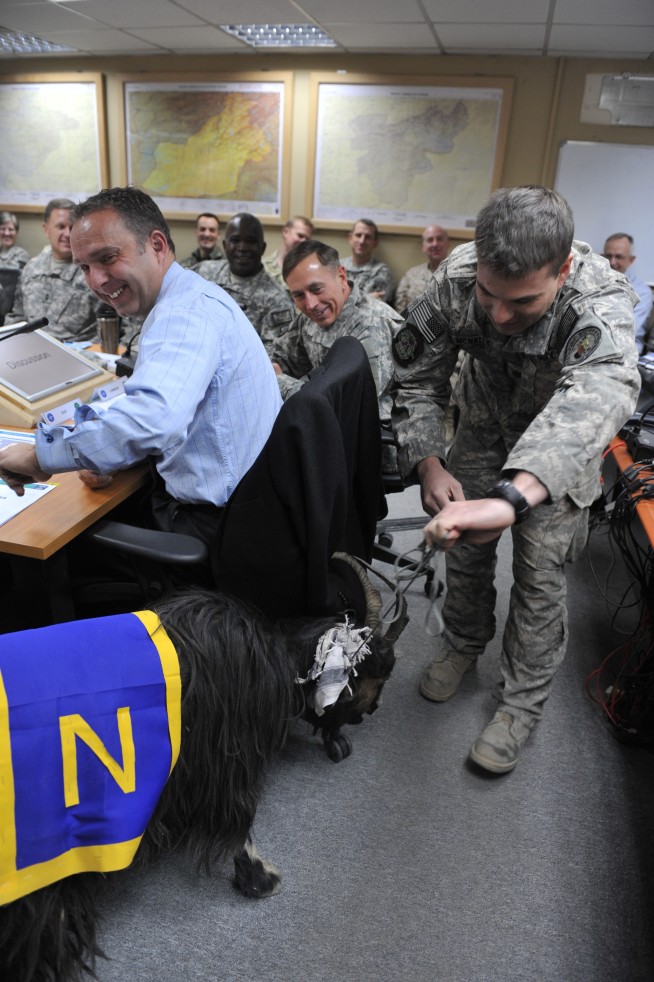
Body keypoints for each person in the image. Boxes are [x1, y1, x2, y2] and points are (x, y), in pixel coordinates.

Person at [391, 185, 640, 774]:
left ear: (564, 270)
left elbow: (597, 396)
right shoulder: (453, 282)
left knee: (539, 574)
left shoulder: (597, 299)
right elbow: (416, 380)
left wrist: (511, 498)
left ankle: (520, 704)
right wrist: (430, 464)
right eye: (489, 295)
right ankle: (461, 643)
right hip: (479, 426)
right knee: (464, 551)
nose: (499, 316)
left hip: (559, 445)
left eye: (523, 302)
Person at [0, 186, 282, 560]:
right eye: (85, 267)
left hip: (215, 530)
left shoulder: (181, 316)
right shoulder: (193, 295)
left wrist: (40, 458)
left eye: (108, 258)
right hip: (250, 509)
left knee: (43, 551)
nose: (97, 281)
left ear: (157, 246)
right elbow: (155, 405)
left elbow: (154, 421)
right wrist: (107, 452)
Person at [269, 239, 403, 462]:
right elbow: (282, 355)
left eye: (316, 289)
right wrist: (271, 366)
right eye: (299, 295)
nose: (310, 304)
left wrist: (278, 381)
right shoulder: (314, 314)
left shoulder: (371, 324)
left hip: (361, 450)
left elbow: (344, 405)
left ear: (341, 276)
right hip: (320, 434)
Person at [4, 198, 98, 342]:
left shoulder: (94, 270)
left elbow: (112, 327)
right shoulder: (31, 268)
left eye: (72, 228)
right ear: (46, 230)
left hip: (78, 355)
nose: (67, 234)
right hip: (31, 352)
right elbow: (17, 315)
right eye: (61, 227)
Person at [195, 212, 295, 348]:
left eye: (251, 241)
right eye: (235, 241)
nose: (242, 248)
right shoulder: (203, 272)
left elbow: (271, 358)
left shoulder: (277, 300)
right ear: (224, 245)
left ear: (262, 248)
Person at [602, 233, 653, 354]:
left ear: (631, 260)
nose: (612, 262)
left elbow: (626, 330)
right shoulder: (592, 282)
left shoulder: (642, 292)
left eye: (619, 257)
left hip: (625, 348)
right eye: (608, 256)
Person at [394, 224, 450, 313]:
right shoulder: (411, 275)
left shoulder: (459, 274)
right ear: (423, 247)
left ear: (447, 243)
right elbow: (400, 310)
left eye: (439, 239)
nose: (435, 244)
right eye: (430, 240)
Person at [342, 218, 394, 304]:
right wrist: (367, 298)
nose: (362, 241)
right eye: (358, 235)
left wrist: (344, 299)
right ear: (350, 238)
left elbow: (376, 307)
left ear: (375, 242)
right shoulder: (337, 267)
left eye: (368, 237)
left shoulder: (381, 271)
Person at [264, 215, 314, 294]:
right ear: (286, 232)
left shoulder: (310, 270)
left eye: (307, 239)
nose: (303, 241)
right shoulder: (263, 267)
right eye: (300, 236)